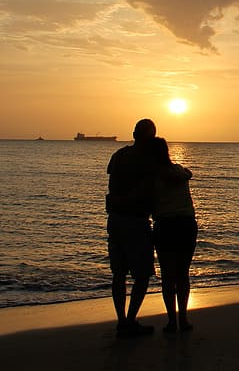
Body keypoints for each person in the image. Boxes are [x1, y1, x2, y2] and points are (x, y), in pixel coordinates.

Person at [106, 118, 159, 338]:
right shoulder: (148, 159)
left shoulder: (118, 155)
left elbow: (112, 184)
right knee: (143, 274)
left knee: (118, 274)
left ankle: (122, 321)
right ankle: (129, 320)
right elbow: (149, 189)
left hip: (116, 219)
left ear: (134, 134)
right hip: (135, 221)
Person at [150, 137, 198, 333]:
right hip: (186, 223)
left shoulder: (152, 176)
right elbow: (188, 173)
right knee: (182, 273)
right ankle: (183, 319)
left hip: (166, 225)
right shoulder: (180, 170)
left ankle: (172, 321)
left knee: (168, 275)